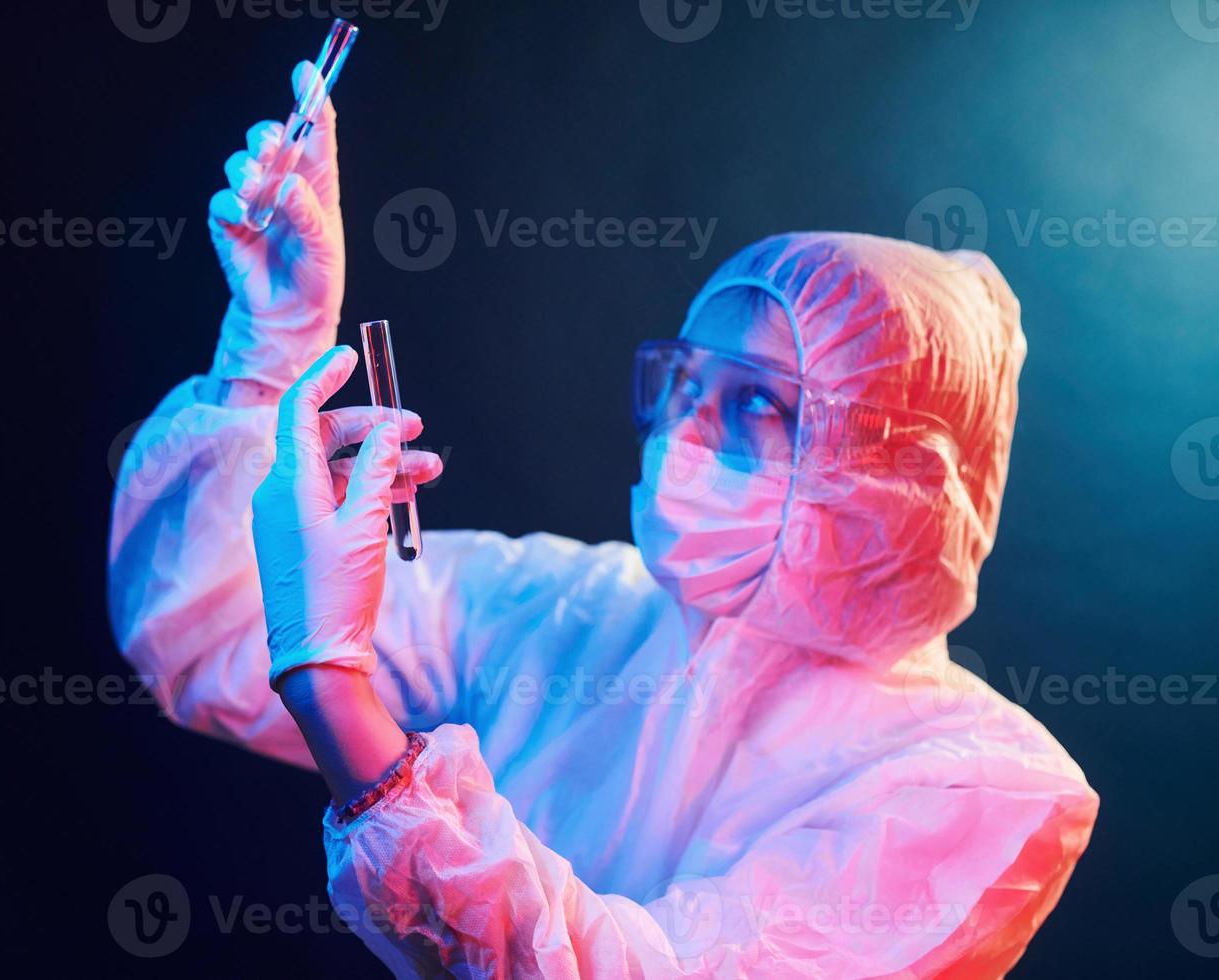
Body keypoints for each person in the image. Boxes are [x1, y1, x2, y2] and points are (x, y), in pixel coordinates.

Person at [107, 62, 1098, 977]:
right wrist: (267, 351)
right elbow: (201, 645)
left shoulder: (978, 786)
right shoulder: (571, 606)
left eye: (756, 401)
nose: (685, 430)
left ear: (897, 472)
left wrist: (334, 683)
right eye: (683, 382)